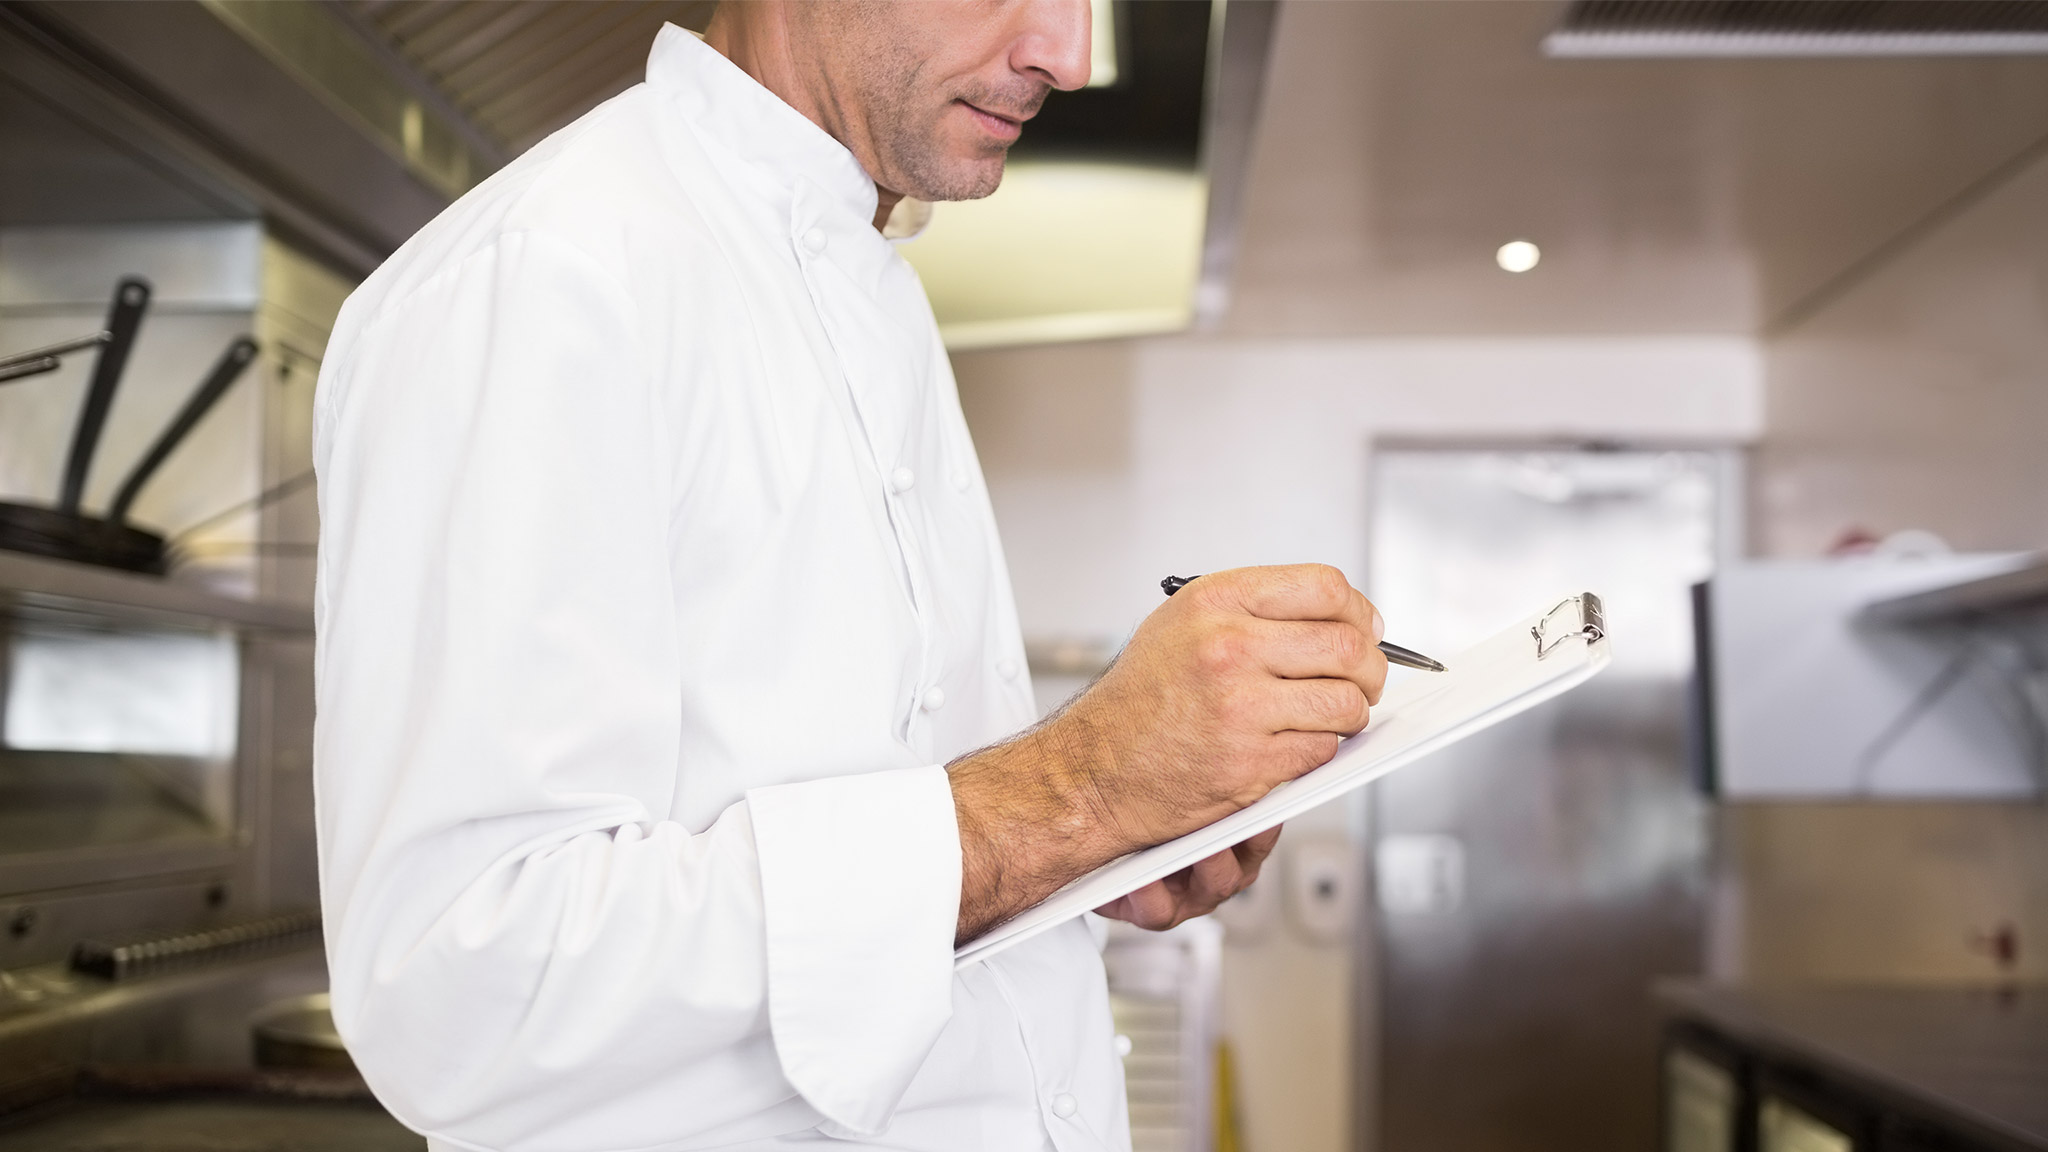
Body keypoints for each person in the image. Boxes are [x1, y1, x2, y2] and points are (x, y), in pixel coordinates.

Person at [312, 3, 1387, 1150]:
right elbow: (461, 989)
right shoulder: (544, 276)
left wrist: (1097, 842)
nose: (1066, 58)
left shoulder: (873, 290)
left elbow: (884, 822)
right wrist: (1079, 790)